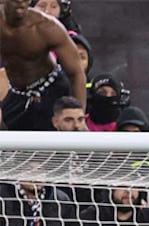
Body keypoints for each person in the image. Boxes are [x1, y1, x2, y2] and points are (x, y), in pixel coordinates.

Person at [0, 0, 87, 131]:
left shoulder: (46, 27)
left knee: (56, 144)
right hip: (17, 93)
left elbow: (76, 73)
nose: (21, 2)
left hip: (52, 90)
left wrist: (78, 115)